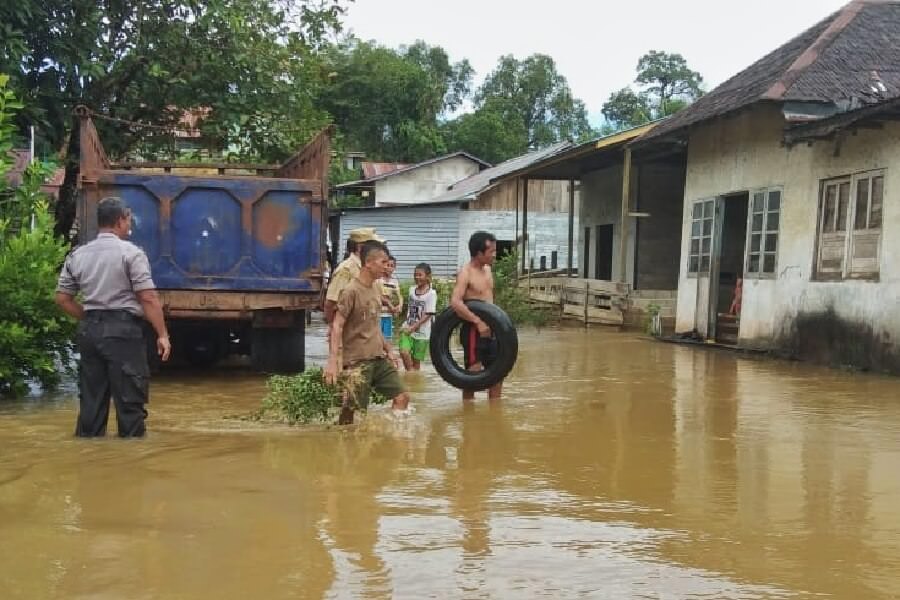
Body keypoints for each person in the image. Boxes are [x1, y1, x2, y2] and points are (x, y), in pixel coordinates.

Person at [55, 197, 172, 437]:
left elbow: (62, 299)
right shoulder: (131, 254)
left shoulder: (78, 255)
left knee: (91, 402)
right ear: (120, 221)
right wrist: (162, 334)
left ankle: (88, 457)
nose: (129, 224)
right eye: (128, 219)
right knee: (130, 402)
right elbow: (148, 298)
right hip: (123, 333)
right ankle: (129, 464)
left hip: (90, 332)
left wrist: (88, 317)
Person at [325, 239, 410, 425]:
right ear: (369, 263)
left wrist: (389, 350)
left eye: (388, 263)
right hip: (357, 363)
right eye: (383, 263)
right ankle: (345, 445)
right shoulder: (351, 291)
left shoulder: (375, 289)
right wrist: (333, 361)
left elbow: (374, 324)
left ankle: (393, 439)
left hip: (378, 358)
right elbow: (337, 325)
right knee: (352, 414)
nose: (387, 267)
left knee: (402, 397)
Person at [450, 231, 502, 402]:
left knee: (497, 373)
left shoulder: (488, 270)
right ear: (479, 253)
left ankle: (494, 416)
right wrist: (478, 322)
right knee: (473, 375)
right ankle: (469, 419)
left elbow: (489, 299)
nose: (495, 255)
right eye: (491, 251)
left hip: (493, 329)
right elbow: (456, 302)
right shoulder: (465, 273)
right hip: (474, 330)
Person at [324, 227, 383, 326]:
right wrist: (334, 329)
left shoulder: (367, 268)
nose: (378, 250)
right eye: (374, 246)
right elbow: (330, 303)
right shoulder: (346, 269)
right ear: (360, 247)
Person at [399, 263, 438, 371]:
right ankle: (410, 375)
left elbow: (428, 314)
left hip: (422, 333)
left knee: (416, 363)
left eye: (420, 275)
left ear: (428, 276)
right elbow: (410, 310)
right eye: (415, 275)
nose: (417, 277)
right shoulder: (412, 290)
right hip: (408, 329)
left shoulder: (431, 294)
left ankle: (412, 382)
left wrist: (414, 327)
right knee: (403, 352)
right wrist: (406, 325)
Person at [377, 254, 403, 341]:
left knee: (387, 339)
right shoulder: (378, 279)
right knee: (377, 339)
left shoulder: (394, 281)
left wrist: (400, 306)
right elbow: (379, 296)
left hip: (388, 315)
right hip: (378, 314)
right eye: (388, 265)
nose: (389, 268)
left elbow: (400, 296)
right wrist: (391, 306)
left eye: (392, 266)